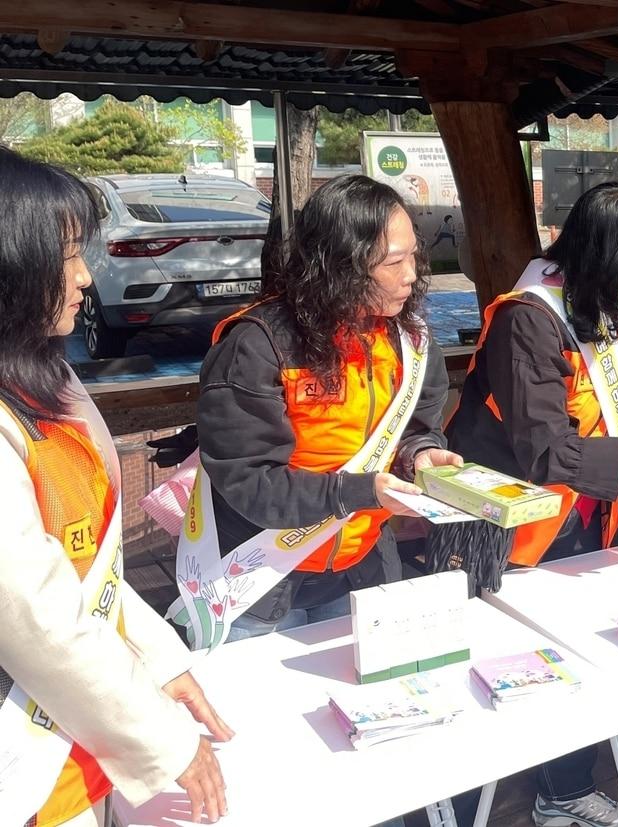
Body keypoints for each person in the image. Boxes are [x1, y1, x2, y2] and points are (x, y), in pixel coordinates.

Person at [445, 181, 618, 827]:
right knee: (490, 663)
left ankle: (564, 790)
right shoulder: (528, 319)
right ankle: (455, 806)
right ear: (602, 255)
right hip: (508, 523)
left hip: (589, 515)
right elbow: (544, 451)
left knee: (582, 655)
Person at [0, 148, 233, 826]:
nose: (83, 277)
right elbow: (37, 618)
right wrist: (164, 740)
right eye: (65, 256)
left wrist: (160, 662)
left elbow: (87, 569)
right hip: (29, 762)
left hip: (79, 747)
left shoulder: (47, 379)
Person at [184, 174, 458, 648]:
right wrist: (357, 491)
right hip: (258, 578)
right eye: (393, 261)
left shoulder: (410, 341)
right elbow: (250, 482)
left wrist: (421, 455)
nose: (411, 274)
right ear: (341, 266)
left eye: (414, 254)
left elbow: (414, 429)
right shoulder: (258, 345)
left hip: (363, 567)